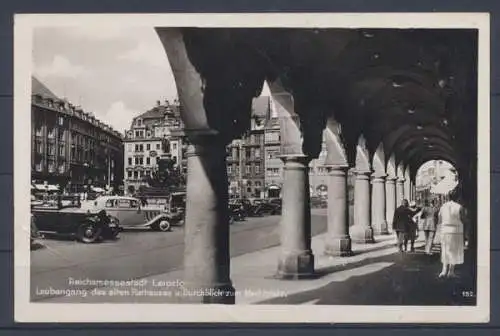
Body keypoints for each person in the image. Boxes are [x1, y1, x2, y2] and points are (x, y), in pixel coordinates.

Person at [437, 189, 467, 278]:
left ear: (448, 197)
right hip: (456, 231)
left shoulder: (443, 207)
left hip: (445, 231)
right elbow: (464, 220)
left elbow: (439, 220)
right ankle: (451, 271)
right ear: (457, 197)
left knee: (445, 250)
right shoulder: (460, 207)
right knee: (454, 251)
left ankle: (443, 271)